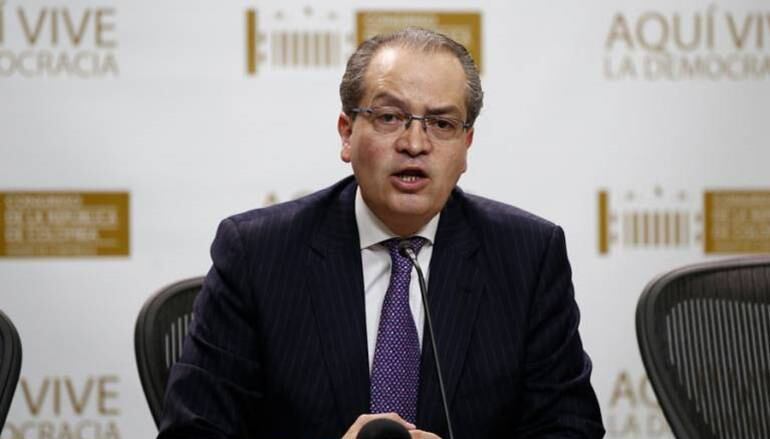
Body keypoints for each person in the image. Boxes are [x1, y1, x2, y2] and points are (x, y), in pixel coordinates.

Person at [158, 28, 604, 438]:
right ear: (347, 133)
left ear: (466, 146)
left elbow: (570, 429)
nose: (415, 144)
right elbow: (192, 432)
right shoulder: (257, 254)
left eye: (442, 124)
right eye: (390, 117)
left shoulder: (527, 256)